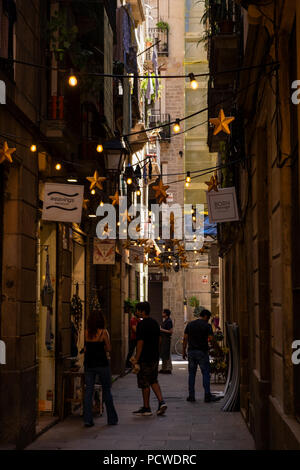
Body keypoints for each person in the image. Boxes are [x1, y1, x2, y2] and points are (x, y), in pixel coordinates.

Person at [131, 301, 167, 416]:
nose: (136, 312)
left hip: (145, 358)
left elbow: (140, 343)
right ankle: (161, 402)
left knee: (144, 382)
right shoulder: (155, 323)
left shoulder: (141, 325)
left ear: (142, 311)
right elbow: (160, 340)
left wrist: (136, 358)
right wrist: (156, 352)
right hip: (154, 357)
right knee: (153, 380)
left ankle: (146, 408)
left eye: (138, 310)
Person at [83, 309, 118, 427]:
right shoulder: (103, 332)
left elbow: (86, 348)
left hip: (89, 365)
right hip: (102, 364)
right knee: (107, 390)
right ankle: (111, 419)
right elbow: (108, 348)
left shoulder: (86, 332)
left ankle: (88, 419)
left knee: (88, 391)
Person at [183, 309, 220, 403]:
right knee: (205, 373)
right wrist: (217, 350)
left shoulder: (190, 324)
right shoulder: (207, 326)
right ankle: (207, 395)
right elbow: (211, 339)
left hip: (191, 352)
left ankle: (191, 396)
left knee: (192, 374)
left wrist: (184, 351)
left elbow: (185, 338)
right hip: (202, 352)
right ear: (206, 317)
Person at [159, 309, 173, 374]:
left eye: (163, 313)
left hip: (167, 339)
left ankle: (168, 369)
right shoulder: (165, 321)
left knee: (167, 354)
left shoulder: (169, 321)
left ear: (166, 314)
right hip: (163, 339)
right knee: (163, 354)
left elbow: (171, 331)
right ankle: (164, 368)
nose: (162, 314)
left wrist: (161, 329)